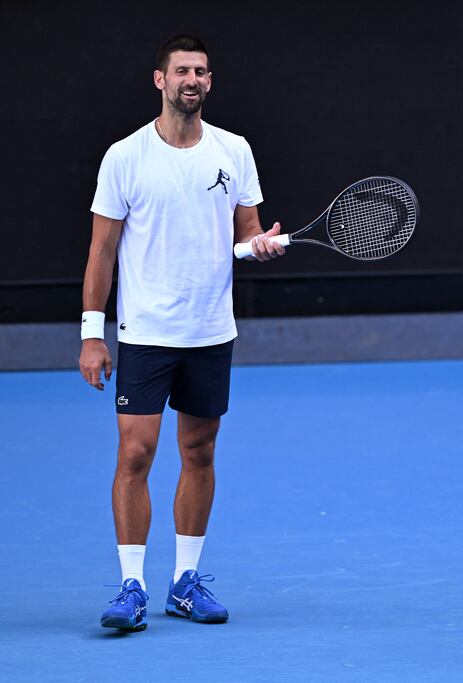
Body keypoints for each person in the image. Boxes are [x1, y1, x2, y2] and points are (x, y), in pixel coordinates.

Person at [79, 34, 286, 632]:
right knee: (135, 453)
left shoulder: (234, 150)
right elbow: (102, 252)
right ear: (159, 80)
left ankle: (185, 583)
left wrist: (259, 248)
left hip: (209, 331)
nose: (191, 79)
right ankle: (131, 586)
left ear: (209, 82)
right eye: (181, 71)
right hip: (145, 331)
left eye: (201, 71)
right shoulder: (124, 156)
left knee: (199, 452)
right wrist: (94, 334)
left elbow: (243, 234)